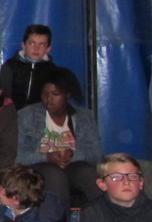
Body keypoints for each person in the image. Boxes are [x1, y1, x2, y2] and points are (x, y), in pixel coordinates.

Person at [15, 67, 102, 206]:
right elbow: (18, 156)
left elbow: (96, 155)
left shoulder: (84, 117)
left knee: (88, 173)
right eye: (44, 94)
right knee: (54, 173)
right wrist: (47, 157)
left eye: (55, 94)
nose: (49, 99)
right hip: (38, 173)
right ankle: (61, 220)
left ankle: (106, 217)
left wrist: (71, 155)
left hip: (73, 169)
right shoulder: (27, 116)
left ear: (67, 95)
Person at [0, 24, 81, 110]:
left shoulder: (52, 71)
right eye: (32, 43)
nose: (36, 48)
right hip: (12, 113)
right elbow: (4, 97)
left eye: (42, 45)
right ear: (24, 45)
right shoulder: (9, 67)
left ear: (48, 49)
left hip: (40, 114)